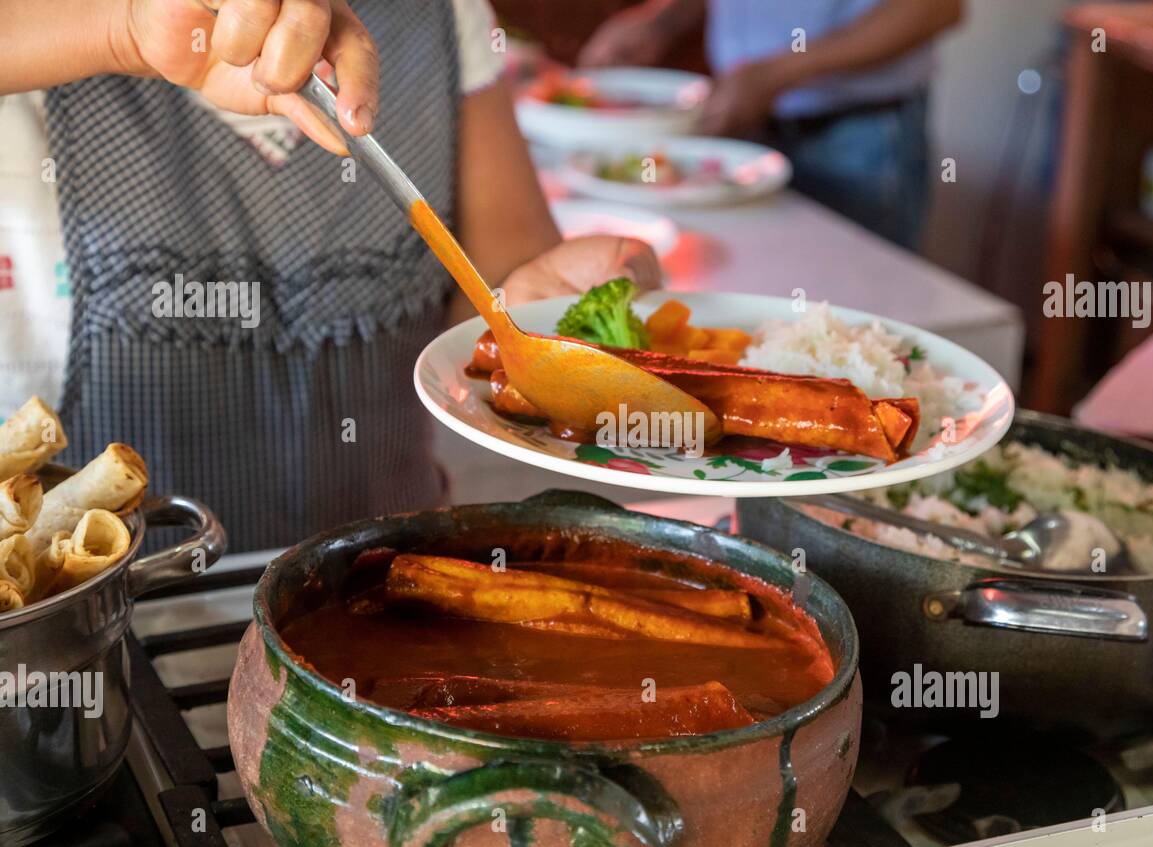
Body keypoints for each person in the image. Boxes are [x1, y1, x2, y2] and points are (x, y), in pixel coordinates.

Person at [0, 0, 660, 550]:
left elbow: (489, 295)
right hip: (110, 645)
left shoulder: (440, 16)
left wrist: (536, 304)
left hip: (387, 610)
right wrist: (126, 29)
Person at [579, 0, 963, 249]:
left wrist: (779, 73)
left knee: (866, 313)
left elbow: (936, 8)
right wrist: (662, 22)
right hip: (752, 132)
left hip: (862, 138)